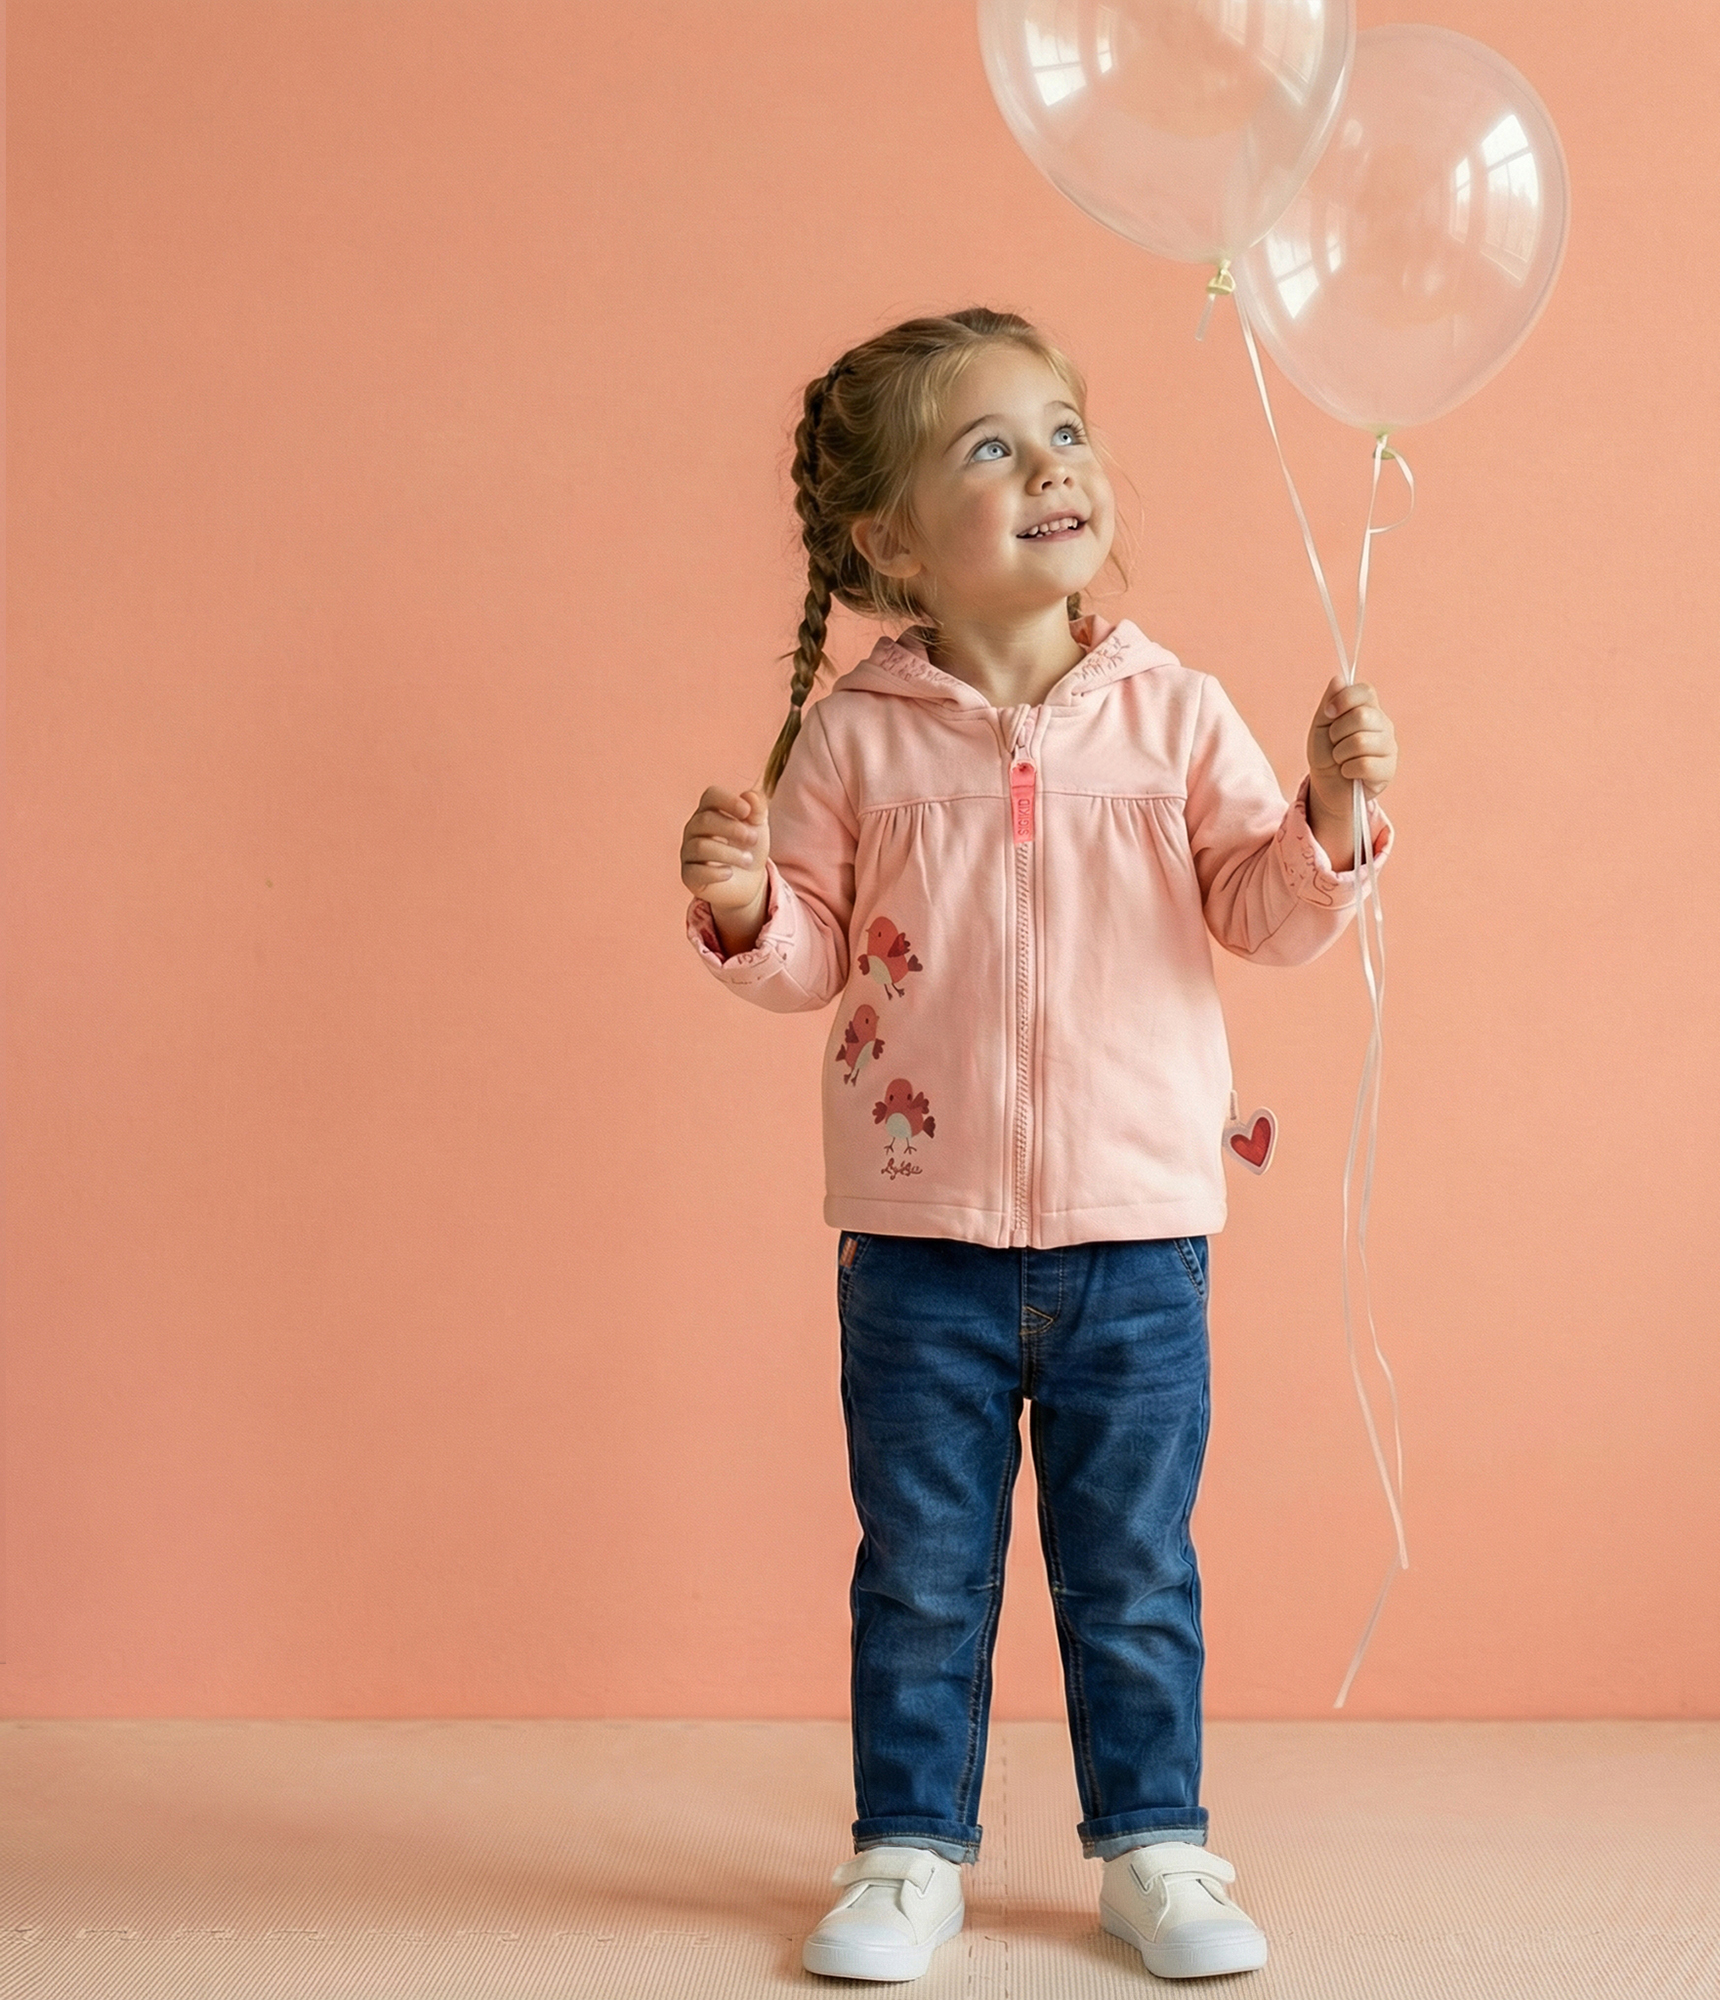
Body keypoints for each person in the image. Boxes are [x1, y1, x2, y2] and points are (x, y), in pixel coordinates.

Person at [679, 308, 1399, 1982]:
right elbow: (807, 956)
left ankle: (1156, 1846)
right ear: (890, 541)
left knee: (1132, 1569)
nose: (1051, 466)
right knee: (924, 1573)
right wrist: (737, 907)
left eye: (1063, 429)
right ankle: (906, 1851)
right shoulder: (857, 736)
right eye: (991, 447)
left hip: (1137, 1234)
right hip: (915, 1244)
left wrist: (1335, 816)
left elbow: (1264, 911)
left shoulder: (1175, 714)